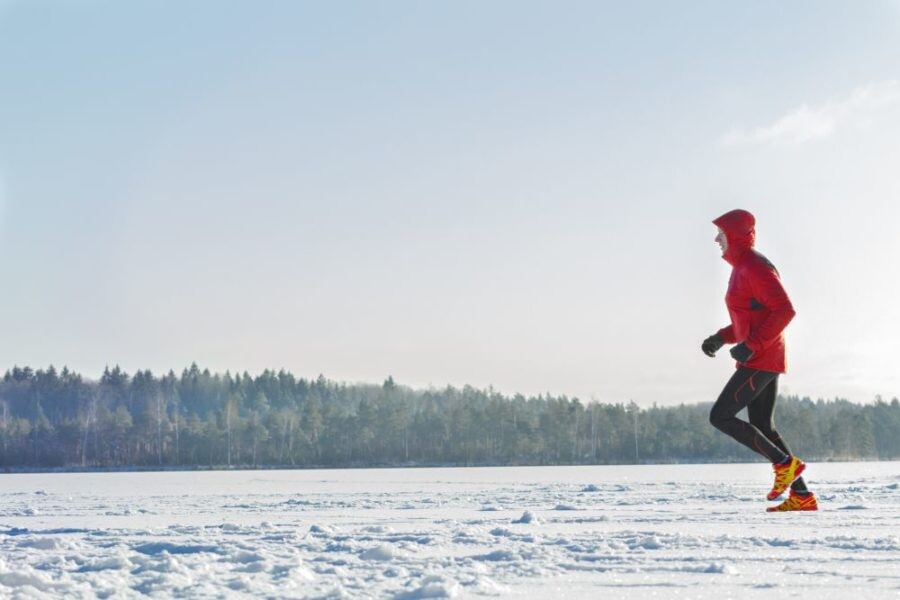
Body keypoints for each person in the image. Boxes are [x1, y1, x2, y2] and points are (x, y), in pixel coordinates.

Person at [702, 209, 818, 512]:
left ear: (735, 235)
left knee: (720, 416)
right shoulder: (741, 268)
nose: (716, 239)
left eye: (721, 233)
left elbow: (784, 310)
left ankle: (784, 464)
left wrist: (752, 346)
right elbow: (751, 317)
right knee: (762, 425)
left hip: (761, 357)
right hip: (761, 356)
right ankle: (801, 496)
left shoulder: (754, 267)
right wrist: (720, 337)